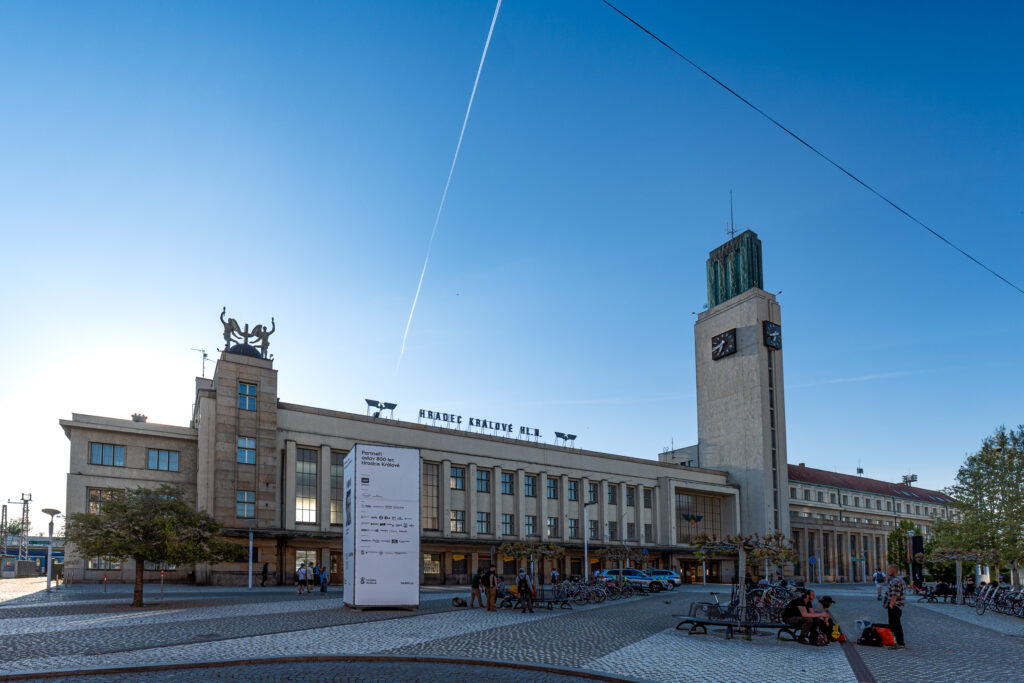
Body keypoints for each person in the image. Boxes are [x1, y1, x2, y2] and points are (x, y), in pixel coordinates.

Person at [883, 564, 907, 650]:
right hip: (897, 605)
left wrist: (891, 604)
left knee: (896, 625)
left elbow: (895, 594)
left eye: (888, 569)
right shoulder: (899, 579)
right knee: (893, 624)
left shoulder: (896, 580)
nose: (887, 571)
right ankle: (895, 642)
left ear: (893, 570)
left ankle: (901, 644)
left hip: (895, 605)